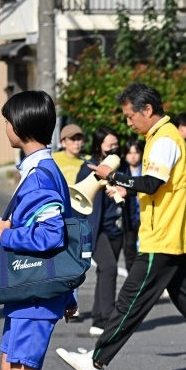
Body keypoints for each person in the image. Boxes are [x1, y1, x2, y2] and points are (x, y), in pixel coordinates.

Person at [0, 90, 134, 370]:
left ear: (19, 126)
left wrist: (5, 234)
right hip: (29, 289)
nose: (4, 127)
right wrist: (66, 293)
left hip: (33, 293)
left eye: (7, 121)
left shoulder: (41, 175)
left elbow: (51, 236)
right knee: (11, 369)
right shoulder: (40, 169)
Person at [55, 82, 186, 370]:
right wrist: (127, 189)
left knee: (131, 299)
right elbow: (160, 185)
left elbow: (153, 184)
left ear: (148, 110)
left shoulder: (164, 139)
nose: (128, 122)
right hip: (172, 233)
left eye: (130, 116)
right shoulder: (162, 136)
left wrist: (114, 177)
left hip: (163, 235)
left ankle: (97, 360)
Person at [76, 127, 125, 336]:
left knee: (104, 271)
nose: (114, 148)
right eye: (109, 145)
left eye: (116, 144)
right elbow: (78, 200)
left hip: (117, 228)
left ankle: (98, 318)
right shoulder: (88, 168)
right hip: (96, 229)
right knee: (109, 268)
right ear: (98, 146)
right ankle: (107, 318)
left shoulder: (121, 166)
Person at [121, 139, 143, 270]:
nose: (133, 156)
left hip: (144, 214)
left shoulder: (147, 171)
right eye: (129, 153)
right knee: (129, 248)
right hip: (128, 217)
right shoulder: (121, 172)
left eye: (136, 152)